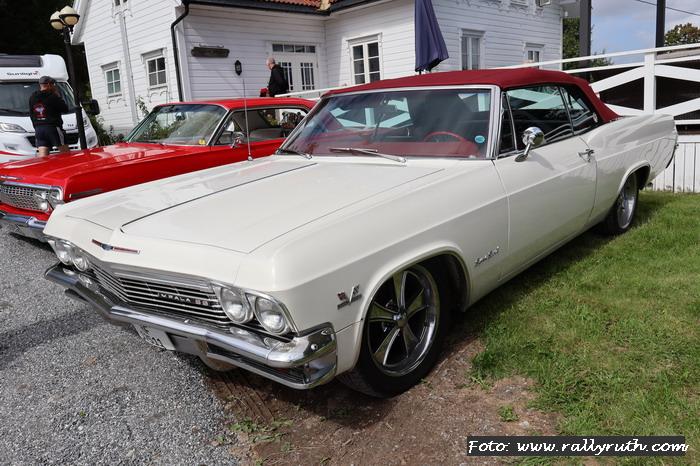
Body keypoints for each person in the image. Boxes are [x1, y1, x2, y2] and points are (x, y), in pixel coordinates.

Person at [29, 76, 70, 156]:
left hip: (39, 129)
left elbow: (31, 113)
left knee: (43, 156)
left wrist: (36, 125)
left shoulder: (32, 97)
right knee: (65, 154)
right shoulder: (52, 96)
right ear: (48, 84)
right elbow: (65, 109)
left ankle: (43, 164)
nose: (54, 86)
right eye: (53, 84)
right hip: (53, 127)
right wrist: (58, 96)